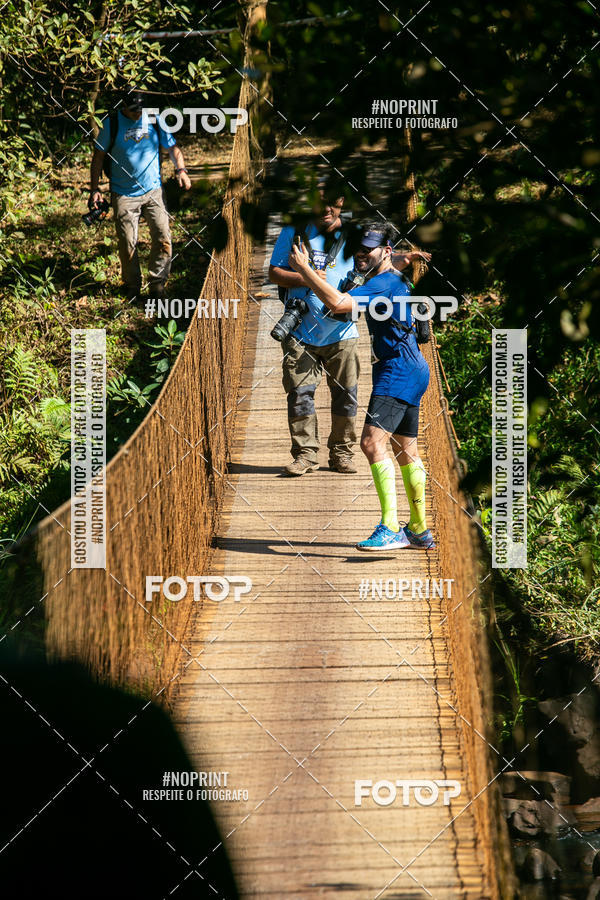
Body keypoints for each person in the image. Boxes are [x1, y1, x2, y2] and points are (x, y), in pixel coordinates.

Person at [288, 221, 435, 550]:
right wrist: (403, 257)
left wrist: (305, 270)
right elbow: (387, 264)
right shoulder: (392, 276)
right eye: (357, 248)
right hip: (414, 367)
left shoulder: (382, 283)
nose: (359, 254)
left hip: (396, 370)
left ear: (384, 251)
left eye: (367, 249)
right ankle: (419, 530)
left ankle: (390, 527)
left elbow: (338, 305)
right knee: (405, 450)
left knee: (370, 443)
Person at [268, 180, 360, 476]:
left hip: (342, 331)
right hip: (300, 330)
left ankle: (342, 454)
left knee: (346, 394)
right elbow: (274, 273)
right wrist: (306, 278)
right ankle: (306, 455)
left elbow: (378, 265)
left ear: (342, 202)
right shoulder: (294, 232)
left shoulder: (353, 235)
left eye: (332, 202)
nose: (326, 209)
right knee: (299, 394)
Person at [88, 90, 192, 301]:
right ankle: (132, 286)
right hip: (123, 194)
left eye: (141, 110)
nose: (138, 114)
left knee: (163, 237)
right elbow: (98, 157)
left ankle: (157, 284)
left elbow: (172, 148)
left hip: (153, 191)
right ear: (124, 106)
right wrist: (94, 189)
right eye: (134, 110)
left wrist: (181, 170)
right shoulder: (112, 123)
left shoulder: (155, 119)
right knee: (128, 242)